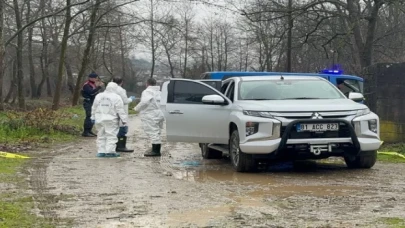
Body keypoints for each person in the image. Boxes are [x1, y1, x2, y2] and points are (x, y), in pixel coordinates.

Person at [91, 82, 128, 157]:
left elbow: (94, 107)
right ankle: (110, 151)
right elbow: (120, 110)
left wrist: (92, 117)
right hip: (111, 119)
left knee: (101, 135)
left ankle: (101, 151)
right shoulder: (117, 97)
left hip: (99, 119)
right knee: (111, 135)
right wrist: (124, 120)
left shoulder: (99, 96)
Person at [134, 78, 165, 157]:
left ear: (147, 84)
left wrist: (136, 108)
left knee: (153, 132)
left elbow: (144, 101)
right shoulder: (159, 92)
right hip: (159, 113)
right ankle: (156, 149)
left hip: (150, 114)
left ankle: (156, 151)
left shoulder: (147, 92)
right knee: (157, 132)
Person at [111, 77, 136, 152]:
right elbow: (125, 101)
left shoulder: (109, 90)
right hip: (121, 111)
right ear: (121, 82)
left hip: (111, 111)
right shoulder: (121, 90)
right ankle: (120, 146)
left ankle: (113, 145)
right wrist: (131, 99)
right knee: (123, 128)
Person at [81, 72, 104, 137]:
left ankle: (89, 130)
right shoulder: (87, 85)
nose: (97, 79)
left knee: (93, 116)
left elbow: (96, 93)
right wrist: (99, 87)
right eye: (96, 78)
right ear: (91, 78)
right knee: (89, 116)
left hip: (92, 102)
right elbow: (91, 93)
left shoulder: (93, 84)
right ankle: (86, 131)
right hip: (88, 102)